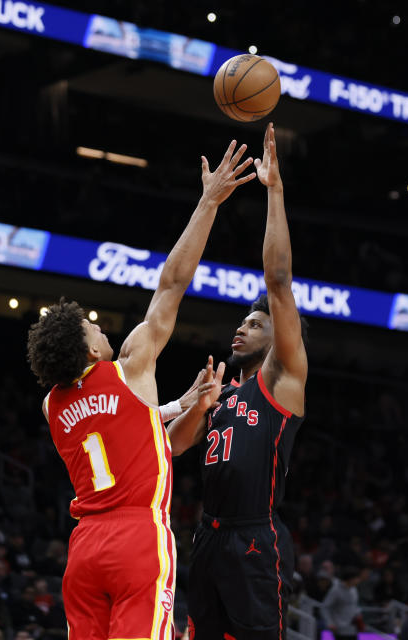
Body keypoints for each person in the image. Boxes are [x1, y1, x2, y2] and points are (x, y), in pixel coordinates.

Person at [27, 139, 256, 640]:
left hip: (84, 548)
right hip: (136, 536)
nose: (102, 328)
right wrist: (208, 202)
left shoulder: (52, 404)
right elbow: (172, 283)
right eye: (93, 329)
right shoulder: (130, 364)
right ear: (90, 354)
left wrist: (186, 407)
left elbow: (146, 443)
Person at [167, 123, 308, 640]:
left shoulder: (283, 379)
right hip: (209, 534)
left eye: (255, 323)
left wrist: (274, 192)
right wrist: (195, 410)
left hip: (254, 536)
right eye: (242, 322)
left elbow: (278, 281)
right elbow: (175, 447)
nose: (241, 327)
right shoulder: (219, 390)